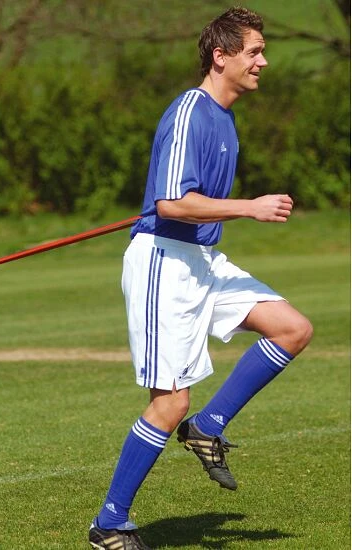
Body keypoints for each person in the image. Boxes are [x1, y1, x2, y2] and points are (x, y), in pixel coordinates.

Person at [88, 6, 313, 550]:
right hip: (165, 264)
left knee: (292, 329)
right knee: (170, 404)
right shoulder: (191, 111)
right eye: (254, 51)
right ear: (221, 56)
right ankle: (110, 524)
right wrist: (250, 207)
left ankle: (209, 429)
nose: (263, 61)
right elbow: (171, 204)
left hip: (203, 259)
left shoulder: (225, 119)